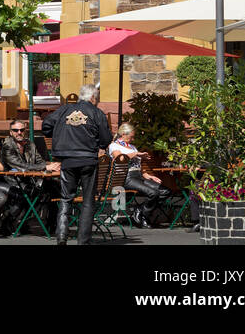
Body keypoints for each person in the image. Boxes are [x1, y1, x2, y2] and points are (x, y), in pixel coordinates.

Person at [42, 83, 112, 245]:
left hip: (67, 160)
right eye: (98, 99)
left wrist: (60, 133)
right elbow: (106, 139)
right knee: (88, 201)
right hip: (88, 160)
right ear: (93, 98)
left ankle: (61, 236)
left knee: (66, 198)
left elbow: (46, 126)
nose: (98, 102)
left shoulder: (64, 110)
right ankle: (83, 241)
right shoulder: (96, 113)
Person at [108, 123, 172, 229]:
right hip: (126, 178)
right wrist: (136, 154)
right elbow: (120, 159)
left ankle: (140, 210)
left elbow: (139, 166)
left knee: (165, 191)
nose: (133, 139)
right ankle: (144, 217)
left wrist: (148, 176)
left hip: (138, 176)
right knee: (153, 193)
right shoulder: (114, 146)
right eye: (131, 136)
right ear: (123, 134)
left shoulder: (132, 147)